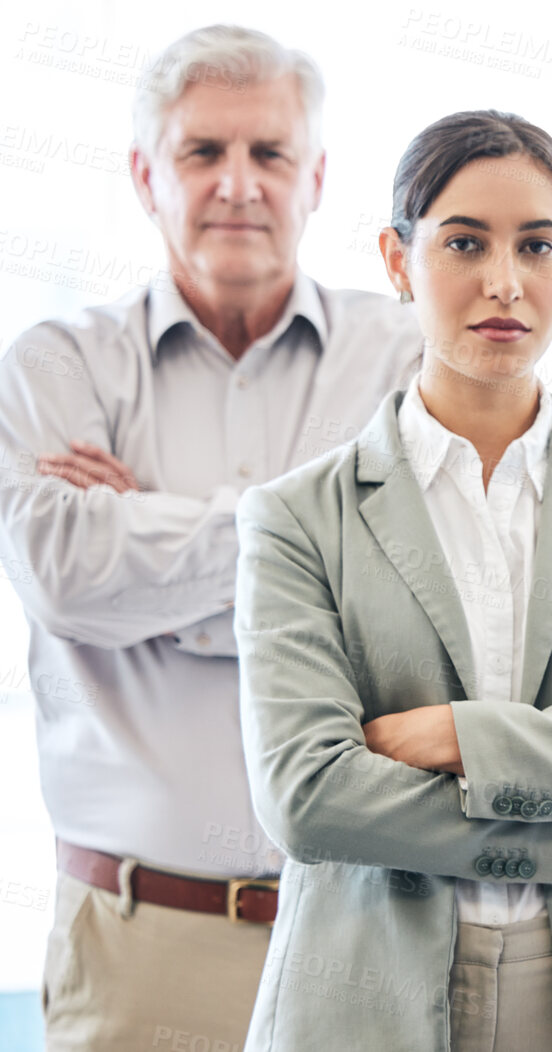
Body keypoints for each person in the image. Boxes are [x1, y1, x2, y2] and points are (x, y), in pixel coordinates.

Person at [234, 110, 552, 1052]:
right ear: (397, 259)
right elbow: (308, 797)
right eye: (463, 242)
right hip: (370, 996)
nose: (504, 283)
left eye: (536, 245)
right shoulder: (296, 517)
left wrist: (460, 737)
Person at [0, 25, 419, 1049]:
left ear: (316, 177)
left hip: (369, 928)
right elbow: (65, 580)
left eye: (269, 153)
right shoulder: (57, 366)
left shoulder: (408, 354)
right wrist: (312, 552)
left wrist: (149, 556)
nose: (238, 183)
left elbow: (421, 606)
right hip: (137, 946)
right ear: (147, 176)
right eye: (202, 152)